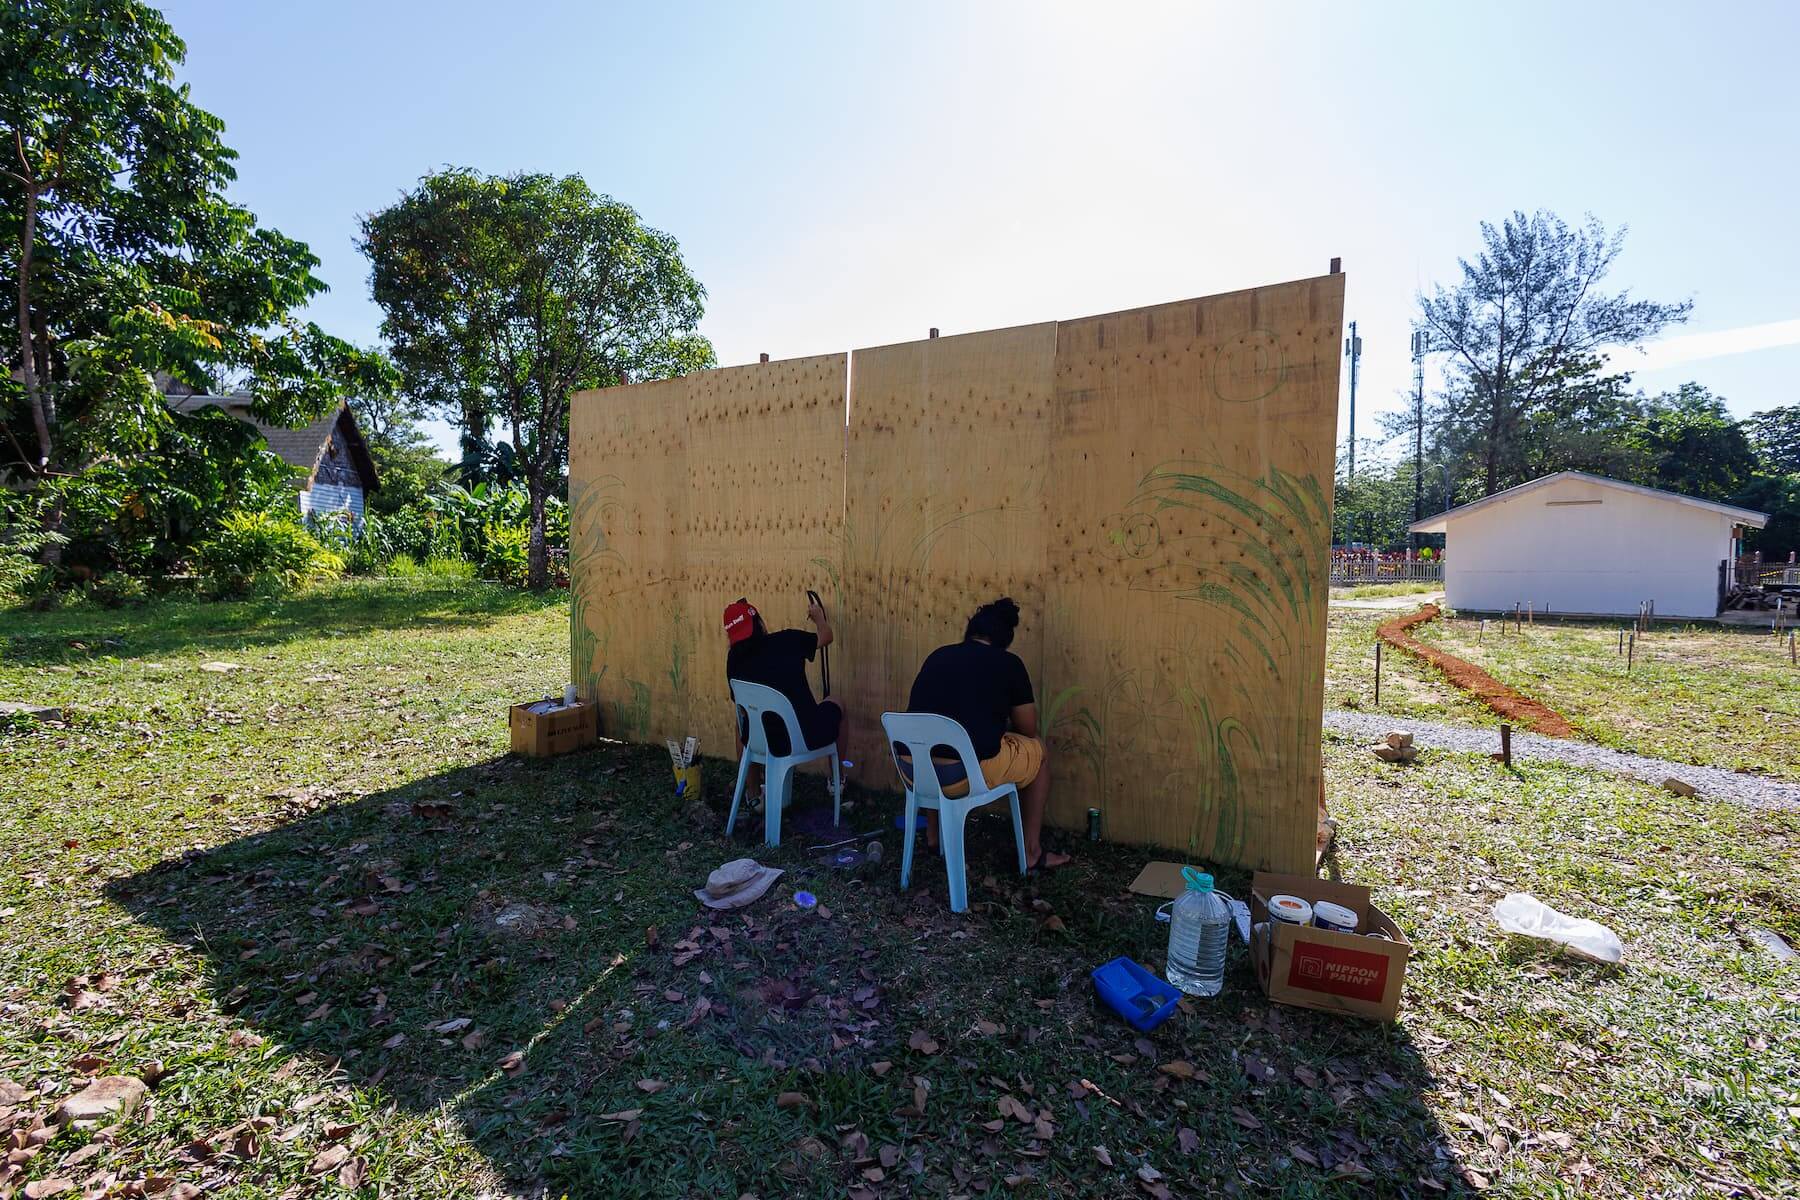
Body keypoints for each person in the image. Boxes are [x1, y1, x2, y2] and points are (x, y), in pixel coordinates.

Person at [905, 597, 1068, 871]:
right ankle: (1031, 852)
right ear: (1005, 639)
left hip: (913, 772)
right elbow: (1027, 729)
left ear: (970, 632)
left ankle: (934, 837)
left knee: (931, 746)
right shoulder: (1009, 664)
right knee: (1038, 754)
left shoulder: (937, 656)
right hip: (961, 776)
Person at [723, 597, 842, 762]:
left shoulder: (733, 660)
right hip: (802, 738)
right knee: (836, 702)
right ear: (760, 624)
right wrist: (819, 618)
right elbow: (826, 636)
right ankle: (838, 781)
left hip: (761, 742)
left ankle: (753, 788)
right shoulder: (788, 640)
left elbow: (742, 709)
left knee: (743, 722)